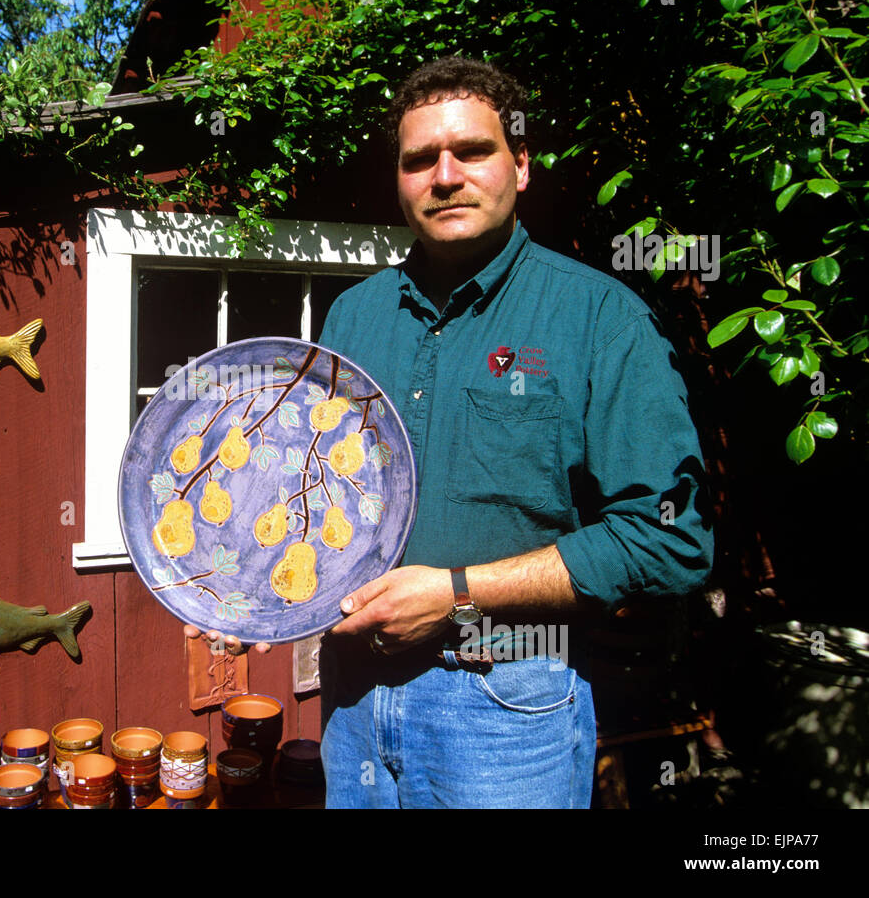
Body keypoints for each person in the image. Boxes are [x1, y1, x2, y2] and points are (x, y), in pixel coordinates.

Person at [189, 56, 713, 807]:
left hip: (506, 704)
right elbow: (316, 490)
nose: (444, 175)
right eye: (418, 159)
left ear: (520, 165)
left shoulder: (598, 318)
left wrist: (458, 595)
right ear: (399, 179)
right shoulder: (354, 318)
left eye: (471, 151)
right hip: (355, 702)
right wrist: (255, 582)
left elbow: (669, 539)